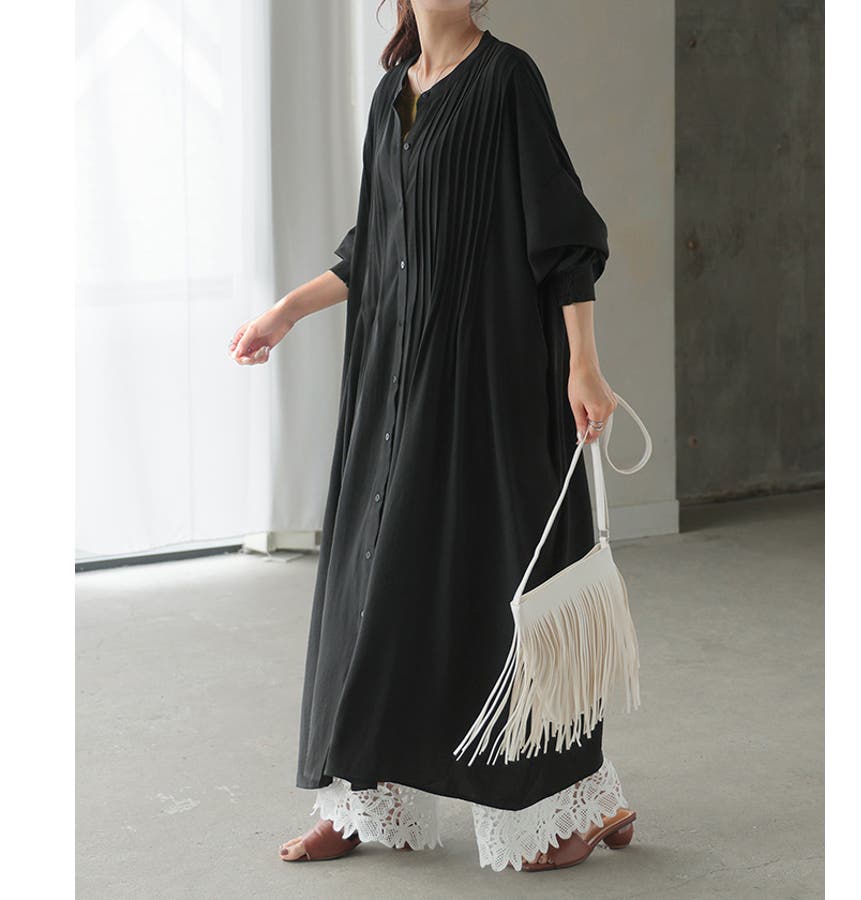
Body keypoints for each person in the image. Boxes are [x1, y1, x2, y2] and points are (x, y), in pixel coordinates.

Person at [229, 0, 637, 873]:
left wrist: (584, 366)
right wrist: (286, 312)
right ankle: (360, 791)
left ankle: (568, 803)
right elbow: (374, 246)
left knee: (498, 580)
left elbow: (563, 237)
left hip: (489, 381)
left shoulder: (508, 81)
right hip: (395, 384)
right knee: (375, 579)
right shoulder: (392, 94)